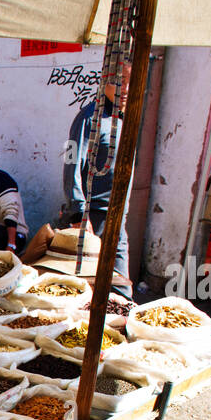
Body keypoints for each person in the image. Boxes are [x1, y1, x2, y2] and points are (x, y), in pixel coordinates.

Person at [62, 64, 133, 298]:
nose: (125, 89)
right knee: (83, 291)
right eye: (119, 81)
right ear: (105, 81)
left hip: (118, 217)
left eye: (130, 81)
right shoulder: (86, 119)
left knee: (122, 291)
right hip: (92, 217)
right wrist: (78, 213)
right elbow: (71, 164)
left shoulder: (125, 119)